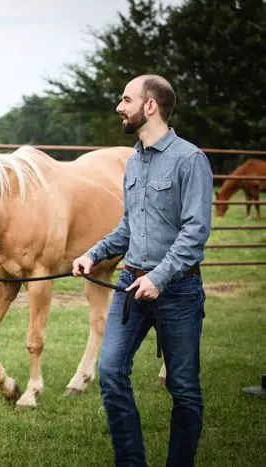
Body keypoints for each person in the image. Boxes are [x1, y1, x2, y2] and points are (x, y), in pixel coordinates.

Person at [72, 75, 213, 467]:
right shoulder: (134, 162)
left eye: (126, 99)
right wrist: (93, 254)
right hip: (129, 283)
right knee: (111, 372)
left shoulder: (190, 159)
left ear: (150, 106)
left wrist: (158, 278)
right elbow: (129, 226)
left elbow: (195, 232)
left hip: (179, 291)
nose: (120, 106)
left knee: (184, 390)